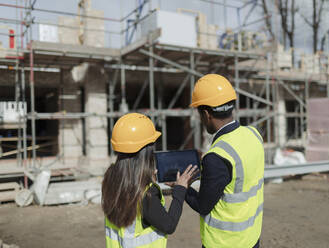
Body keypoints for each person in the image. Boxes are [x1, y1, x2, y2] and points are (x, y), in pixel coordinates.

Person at [185, 74, 265, 248]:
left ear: (206, 114)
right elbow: (235, 175)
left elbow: (203, 205)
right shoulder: (254, 134)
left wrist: (182, 188)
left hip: (225, 243)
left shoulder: (217, 157)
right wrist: (206, 165)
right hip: (251, 237)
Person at [102, 113, 198, 248]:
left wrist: (145, 177)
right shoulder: (145, 193)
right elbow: (169, 225)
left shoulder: (111, 179)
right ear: (146, 151)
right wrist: (180, 190)